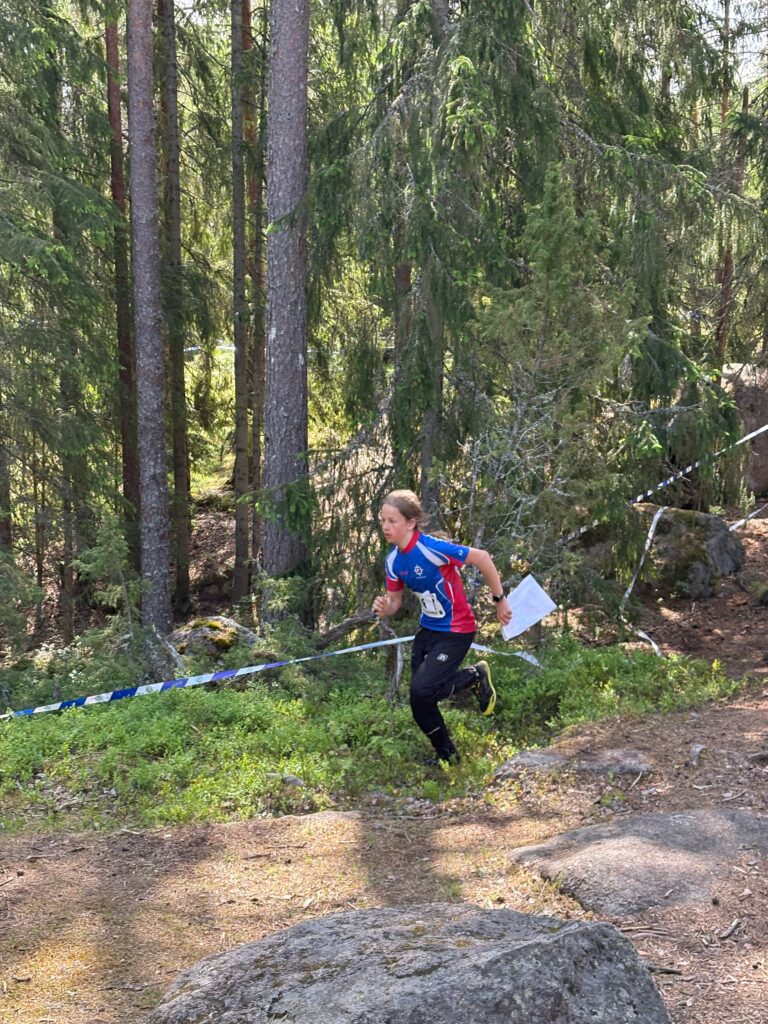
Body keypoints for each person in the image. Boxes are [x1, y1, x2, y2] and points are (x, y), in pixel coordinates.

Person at [372, 489, 513, 765]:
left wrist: (500, 599)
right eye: (383, 520)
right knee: (420, 699)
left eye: (392, 521)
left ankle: (474, 676)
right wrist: (383, 608)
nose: (386, 527)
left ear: (410, 523)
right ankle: (448, 757)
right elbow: (394, 602)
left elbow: (482, 557)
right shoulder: (393, 561)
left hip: (457, 630)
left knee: (422, 690)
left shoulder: (431, 548)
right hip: (428, 630)